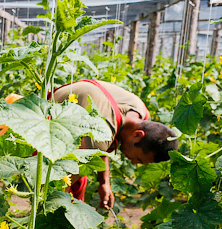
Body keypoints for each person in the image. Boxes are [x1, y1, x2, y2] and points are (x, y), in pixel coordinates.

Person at [53, 79, 177, 209]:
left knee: (78, 185)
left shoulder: (141, 114)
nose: (133, 163)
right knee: (63, 192)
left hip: (78, 106)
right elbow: (59, 182)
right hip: (49, 116)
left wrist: (104, 183)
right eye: (138, 159)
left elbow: (105, 142)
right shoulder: (100, 132)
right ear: (138, 135)